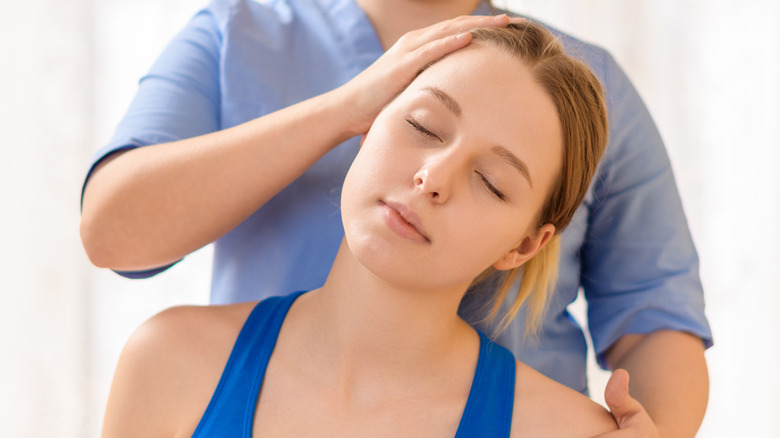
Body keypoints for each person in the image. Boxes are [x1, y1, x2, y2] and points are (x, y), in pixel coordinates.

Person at [80, 0, 711, 436]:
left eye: (491, 183)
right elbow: (114, 228)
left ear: (526, 244)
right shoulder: (239, 31)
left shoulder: (585, 87)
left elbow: (655, 311)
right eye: (419, 126)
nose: (431, 179)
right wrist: (343, 107)